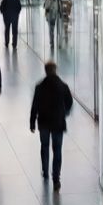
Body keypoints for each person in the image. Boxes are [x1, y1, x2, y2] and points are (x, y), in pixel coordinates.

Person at [30, 60, 74, 191]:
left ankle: (45, 171)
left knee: (44, 147)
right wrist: (64, 113)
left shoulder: (40, 87)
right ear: (55, 70)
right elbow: (70, 102)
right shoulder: (63, 86)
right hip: (58, 123)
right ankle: (56, 178)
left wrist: (32, 121)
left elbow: (35, 106)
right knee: (57, 150)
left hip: (43, 122)